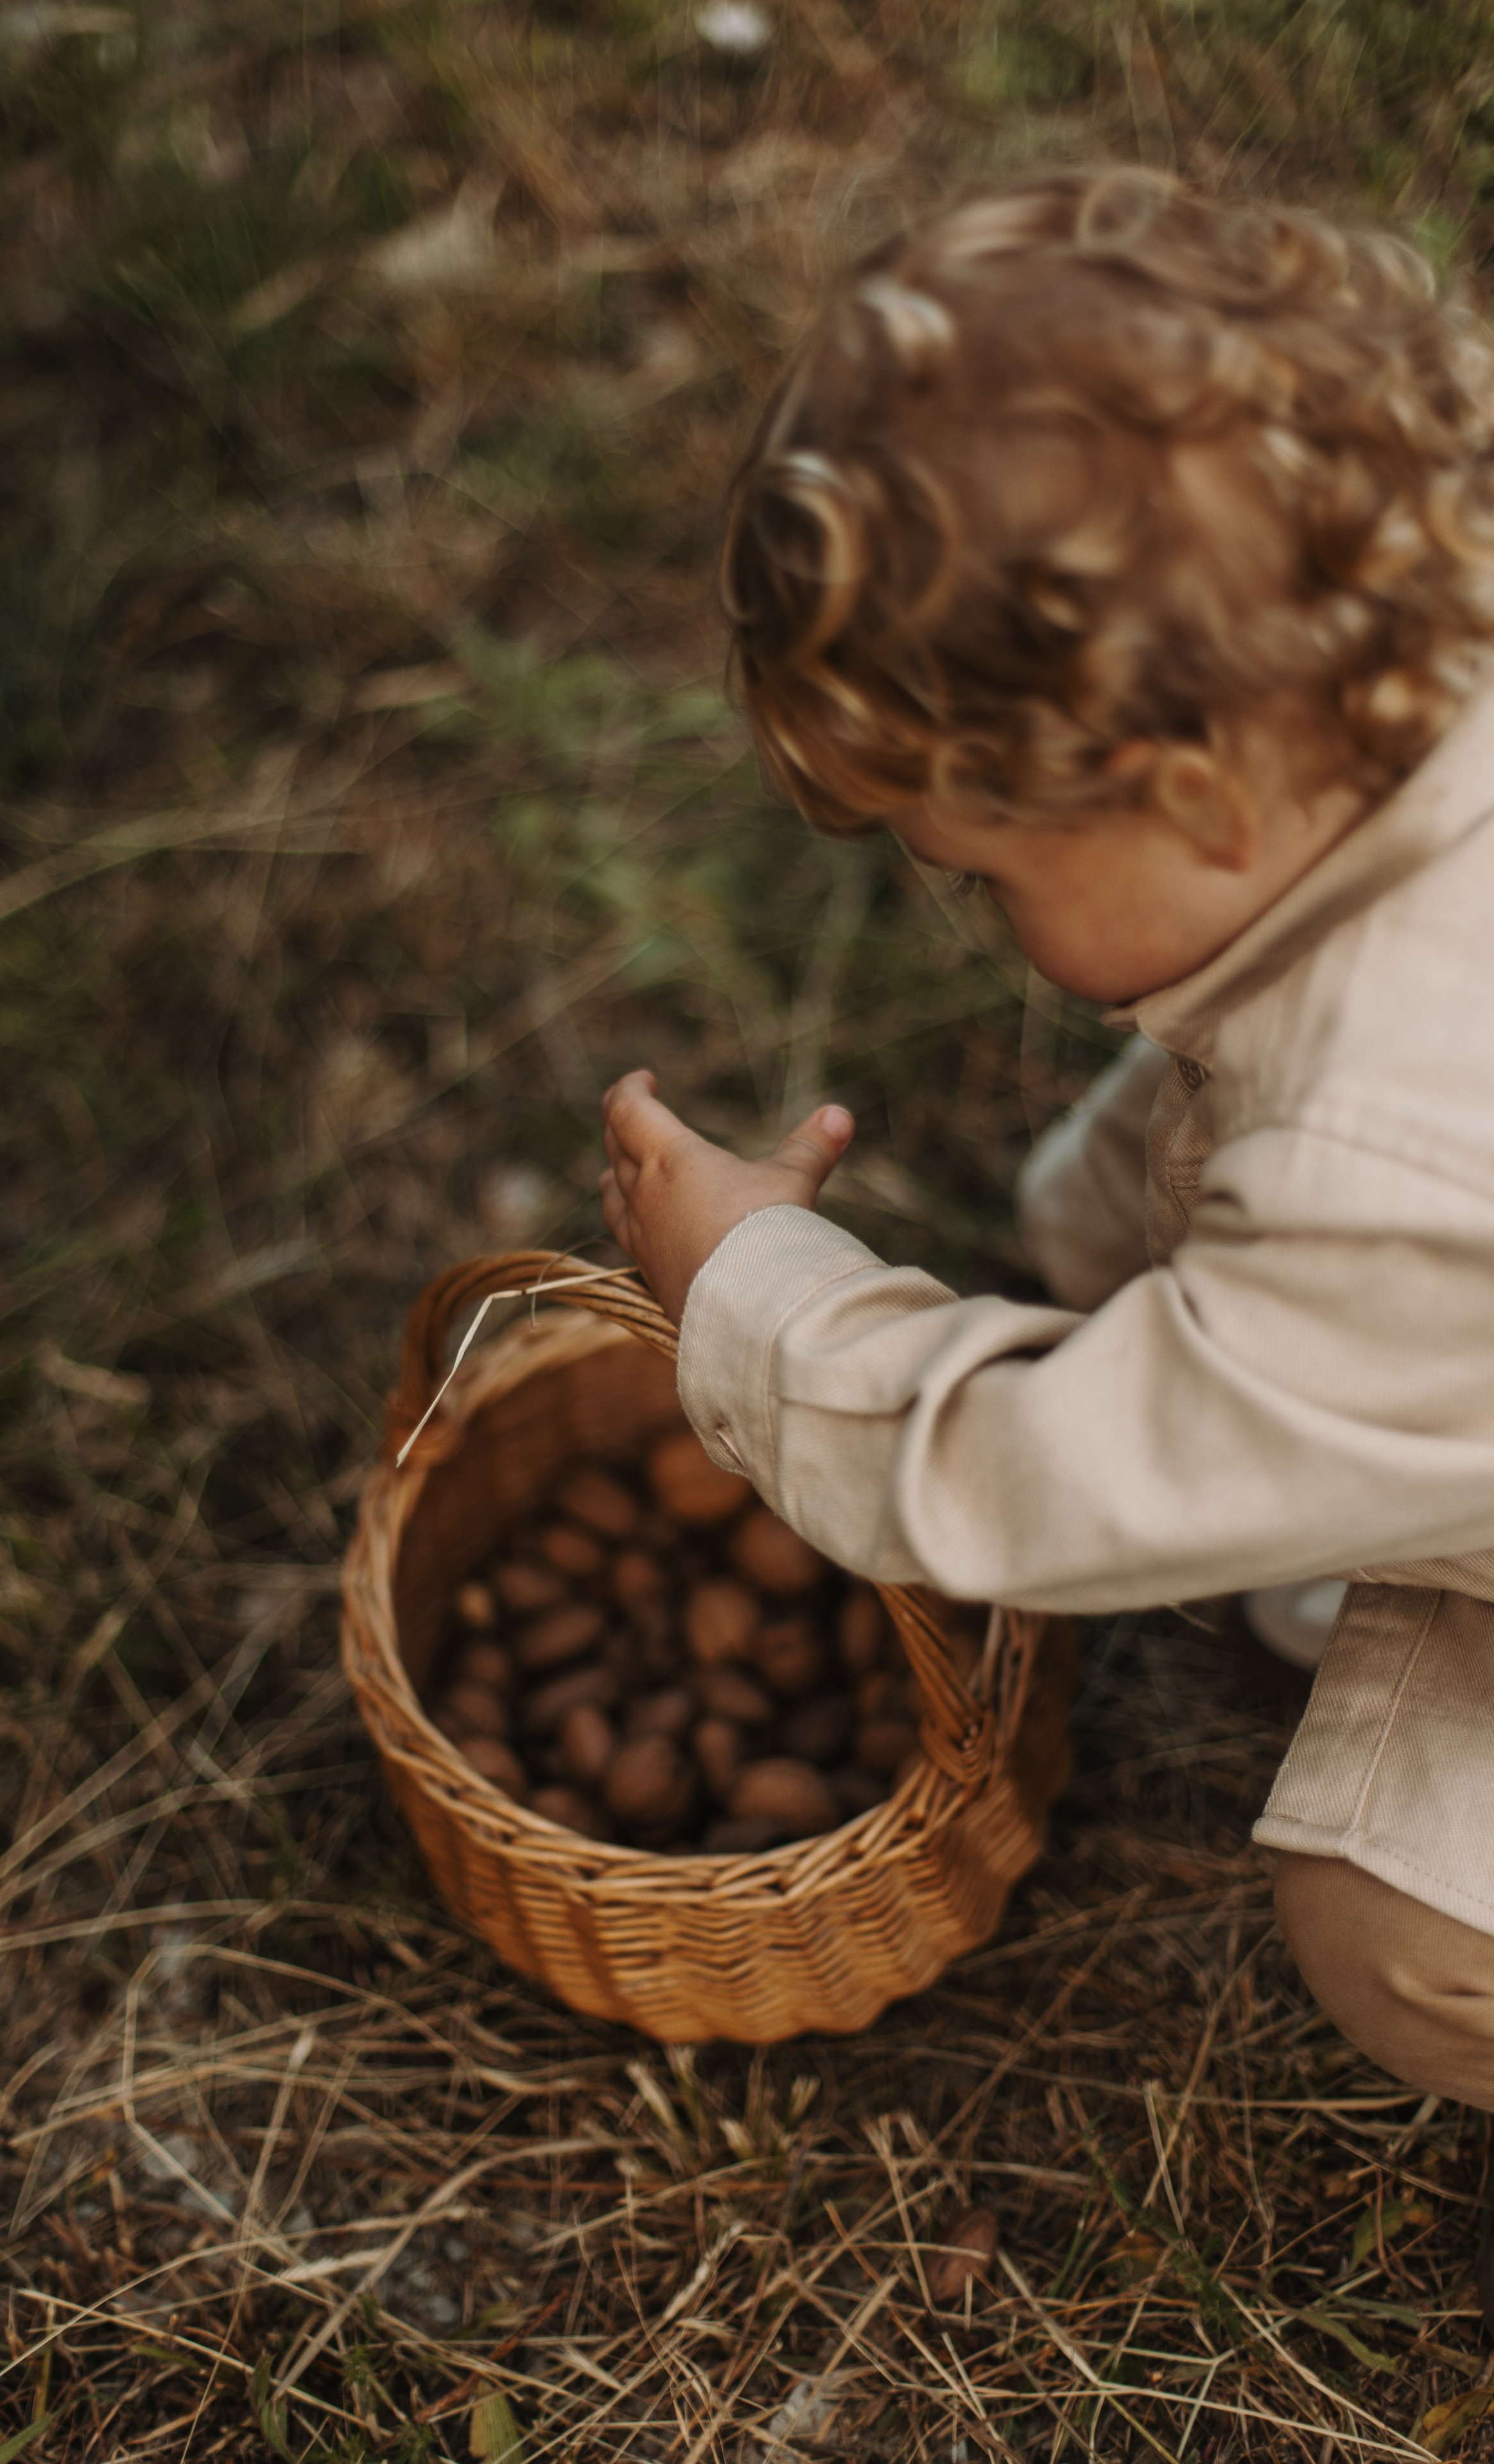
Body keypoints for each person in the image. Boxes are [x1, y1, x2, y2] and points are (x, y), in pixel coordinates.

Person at [597, 169, 1494, 2185]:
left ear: (1197, 789)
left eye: (986, 867)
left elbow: (1047, 1477)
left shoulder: (1400, 1170)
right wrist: (1090, 1231)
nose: (968, 908)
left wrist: (758, 1290)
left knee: (1401, 1933)